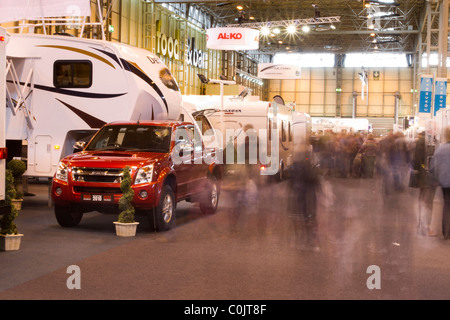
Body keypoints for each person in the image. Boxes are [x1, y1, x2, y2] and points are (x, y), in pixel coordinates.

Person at [410, 131, 437, 236]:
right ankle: (426, 228)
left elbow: (416, 161)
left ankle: (421, 225)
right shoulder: (430, 143)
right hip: (429, 176)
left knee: (422, 201)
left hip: (422, 176)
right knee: (428, 203)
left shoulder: (420, 141)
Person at [430, 126, 450, 239]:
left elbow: (433, 167)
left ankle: (445, 231)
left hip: (444, 182)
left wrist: (436, 179)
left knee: (446, 204)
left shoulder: (440, 149)